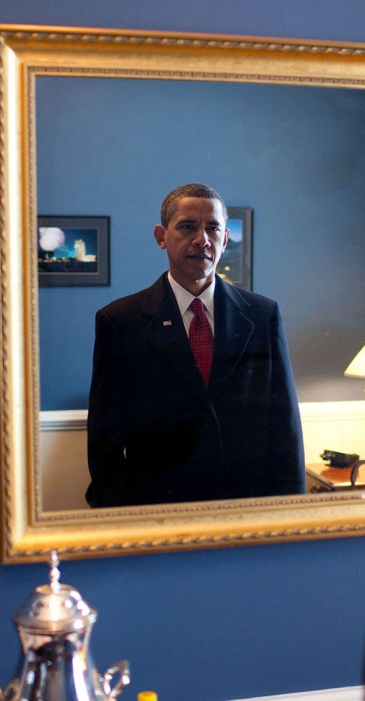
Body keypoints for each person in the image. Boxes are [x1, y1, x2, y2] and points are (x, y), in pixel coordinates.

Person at [85, 183, 305, 507]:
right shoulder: (121, 322)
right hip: (157, 512)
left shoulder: (262, 315)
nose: (202, 239)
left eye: (213, 228)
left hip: (249, 511)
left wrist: (291, 515)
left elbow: (284, 429)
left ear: (225, 239)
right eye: (188, 226)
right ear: (161, 236)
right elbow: (105, 443)